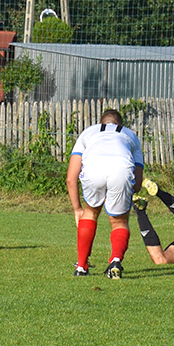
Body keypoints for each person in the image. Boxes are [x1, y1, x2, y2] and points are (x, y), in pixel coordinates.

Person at [66, 109, 144, 278]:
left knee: (90, 212)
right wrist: (126, 191)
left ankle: (81, 266)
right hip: (121, 170)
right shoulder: (130, 135)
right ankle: (115, 260)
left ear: (101, 123)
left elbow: (70, 179)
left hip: (94, 167)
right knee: (119, 221)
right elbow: (137, 183)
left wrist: (77, 209)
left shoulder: (88, 133)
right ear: (120, 125)